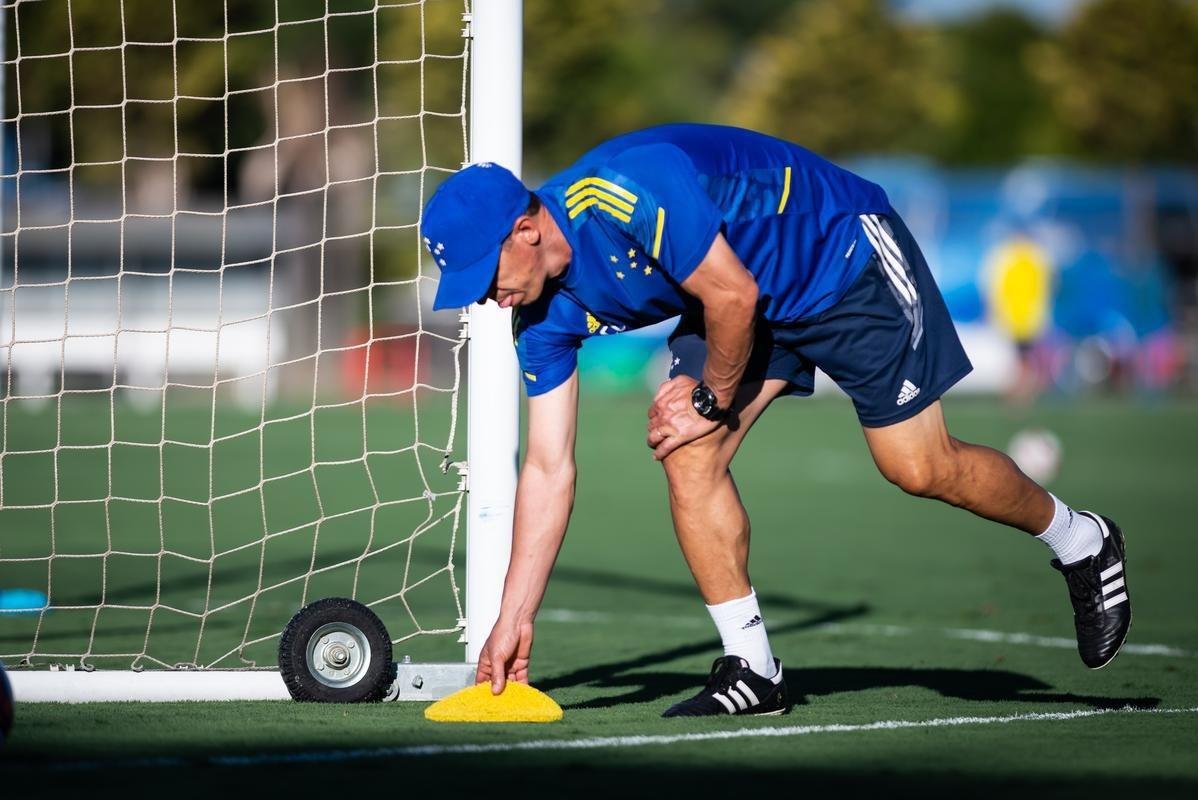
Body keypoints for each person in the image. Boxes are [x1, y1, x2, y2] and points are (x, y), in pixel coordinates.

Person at [420, 124, 1131, 718]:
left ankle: (1081, 540)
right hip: (740, 297)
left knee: (918, 467)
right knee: (685, 452)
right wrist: (515, 616)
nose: (484, 298)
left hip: (840, 256)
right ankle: (754, 669)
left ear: (526, 231)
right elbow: (549, 466)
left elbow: (732, 297)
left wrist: (708, 398)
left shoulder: (625, 192)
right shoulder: (539, 318)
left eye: (485, 276)